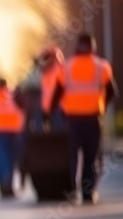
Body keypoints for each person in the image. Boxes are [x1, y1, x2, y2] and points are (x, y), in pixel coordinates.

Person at [50, 33, 117, 204]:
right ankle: (88, 193)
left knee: (71, 156)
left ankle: (72, 190)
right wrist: (101, 105)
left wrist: (49, 115)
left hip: (71, 120)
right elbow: (112, 92)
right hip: (92, 118)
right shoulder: (101, 66)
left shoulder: (66, 67)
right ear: (92, 47)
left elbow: (56, 96)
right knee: (91, 156)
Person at [0, 77, 25, 199]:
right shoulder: (11, 94)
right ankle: (7, 187)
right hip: (12, 131)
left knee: (1, 160)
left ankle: (3, 187)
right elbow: (21, 108)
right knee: (10, 160)